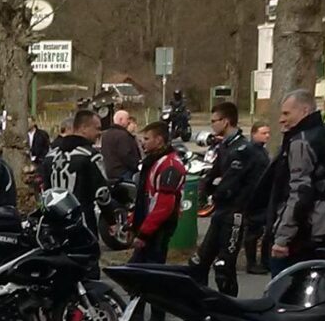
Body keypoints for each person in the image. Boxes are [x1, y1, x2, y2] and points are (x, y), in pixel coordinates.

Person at [193, 101, 264, 294]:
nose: (213, 125)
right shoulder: (224, 146)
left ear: (226, 121)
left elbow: (229, 184)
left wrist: (216, 188)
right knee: (199, 262)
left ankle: (229, 312)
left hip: (235, 213)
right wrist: (208, 186)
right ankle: (200, 307)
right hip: (220, 212)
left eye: (215, 121)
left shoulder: (242, 150)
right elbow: (210, 177)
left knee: (224, 266)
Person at [266, 90, 325, 266]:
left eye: (286, 113)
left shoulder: (301, 142)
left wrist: (282, 238)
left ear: (304, 111)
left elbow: (299, 192)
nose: (281, 120)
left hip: (304, 234)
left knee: (283, 288)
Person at [131, 121, 185, 266]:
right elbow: (144, 197)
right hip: (149, 226)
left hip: (158, 228)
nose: (143, 143)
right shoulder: (153, 161)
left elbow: (164, 205)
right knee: (137, 270)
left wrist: (144, 233)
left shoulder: (170, 165)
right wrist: (133, 220)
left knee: (149, 270)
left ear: (159, 140)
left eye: (147, 139)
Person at [99, 109, 141, 187]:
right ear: (121, 120)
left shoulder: (106, 135)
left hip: (110, 171)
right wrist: (136, 166)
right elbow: (126, 154)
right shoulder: (123, 135)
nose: (129, 122)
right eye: (127, 119)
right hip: (124, 172)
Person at [24, 119, 53, 197]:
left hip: (39, 162)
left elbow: (46, 148)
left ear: (34, 122)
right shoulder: (23, 135)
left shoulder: (42, 134)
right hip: (27, 163)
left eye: (29, 122)